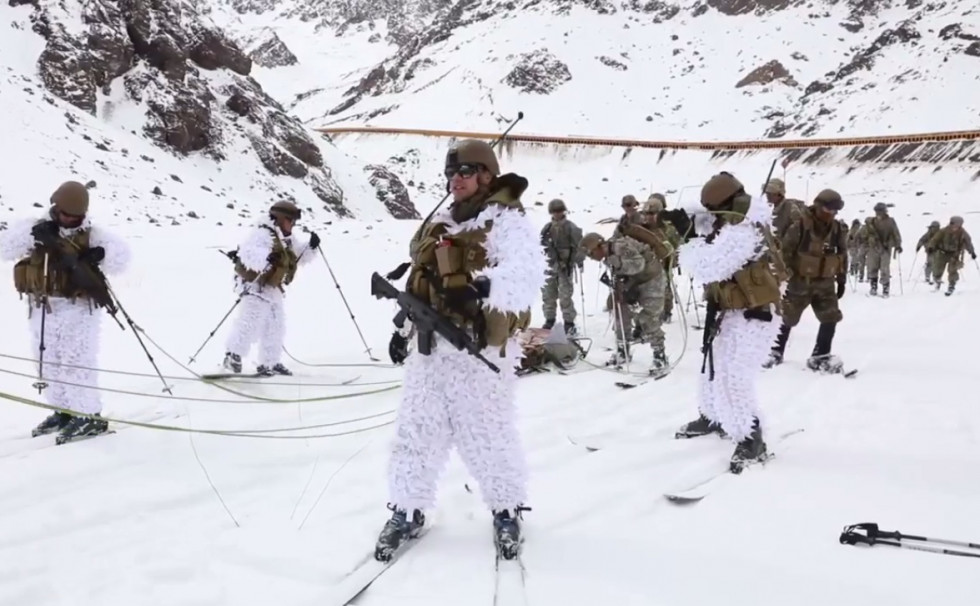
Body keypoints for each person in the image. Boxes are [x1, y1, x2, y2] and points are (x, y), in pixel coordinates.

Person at [376, 139, 546, 562]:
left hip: (478, 350)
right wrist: (402, 328)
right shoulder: (440, 219)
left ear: (487, 176)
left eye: (466, 172)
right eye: (452, 173)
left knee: (488, 435)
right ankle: (407, 510)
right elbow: (419, 275)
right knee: (416, 433)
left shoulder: (507, 221)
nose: (456, 180)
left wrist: (483, 286)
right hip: (429, 347)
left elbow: (526, 276)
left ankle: (507, 509)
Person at [0, 181, 130, 442]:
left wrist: (101, 253)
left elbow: (122, 258)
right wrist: (33, 234)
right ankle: (64, 410)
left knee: (75, 362)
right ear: (55, 207)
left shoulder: (92, 234)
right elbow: (5, 248)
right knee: (48, 363)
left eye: (76, 216)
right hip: (43, 307)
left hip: (78, 308)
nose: (70, 220)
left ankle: (88, 415)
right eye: (65, 215)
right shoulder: (35, 227)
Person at [675, 172, 785, 472]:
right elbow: (714, 234)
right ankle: (714, 416)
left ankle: (751, 438)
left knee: (734, 377)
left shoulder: (744, 231)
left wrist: (686, 240)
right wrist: (692, 224)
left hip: (756, 314)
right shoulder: (736, 223)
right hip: (733, 310)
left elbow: (709, 266)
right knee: (713, 367)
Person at [222, 201, 318, 375]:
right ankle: (232, 356)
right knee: (251, 320)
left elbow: (297, 257)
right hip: (254, 284)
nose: (293, 225)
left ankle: (269, 362)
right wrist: (266, 258)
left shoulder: (286, 239)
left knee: (276, 324)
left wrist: (311, 247)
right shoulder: (262, 233)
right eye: (291, 220)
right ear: (280, 219)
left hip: (271, 287)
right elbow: (248, 253)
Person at [765, 190, 848, 373]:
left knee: (830, 316)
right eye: (828, 209)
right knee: (787, 317)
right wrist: (782, 277)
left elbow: (842, 254)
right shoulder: (800, 227)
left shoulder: (836, 229)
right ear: (818, 207)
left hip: (825, 283)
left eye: (836, 210)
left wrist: (841, 278)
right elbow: (784, 253)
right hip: (799, 283)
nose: (832, 214)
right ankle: (775, 351)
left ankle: (821, 354)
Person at [580, 229, 670, 375]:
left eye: (590, 253)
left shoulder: (620, 247)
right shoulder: (608, 255)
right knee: (620, 314)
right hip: (633, 282)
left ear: (599, 246)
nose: (591, 257)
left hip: (651, 279)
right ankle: (623, 351)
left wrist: (620, 264)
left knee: (648, 317)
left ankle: (660, 356)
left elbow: (639, 264)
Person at [540, 198, 583, 335]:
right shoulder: (547, 228)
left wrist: (577, 261)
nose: (557, 214)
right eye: (554, 211)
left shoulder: (571, 227)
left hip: (565, 267)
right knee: (548, 295)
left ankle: (569, 323)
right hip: (550, 266)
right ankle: (549, 320)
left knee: (565, 296)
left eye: (559, 210)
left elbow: (579, 247)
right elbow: (540, 246)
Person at [639, 194, 682, 322]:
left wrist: (671, 257)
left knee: (665, 287)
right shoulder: (640, 228)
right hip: (646, 265)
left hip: (663, 263)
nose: (648, 217)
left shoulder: (668, 229)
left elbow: (677, 245)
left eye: (652, 213)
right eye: (646, 213)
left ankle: (666, 312)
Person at [928, 215, 976, 296]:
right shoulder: (943, 231)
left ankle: (951, 286)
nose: (955, 227)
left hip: (954, 254)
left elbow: (968, 242)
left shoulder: (963, 233)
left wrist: (972, 252)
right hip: (942, 253)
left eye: (957, 225)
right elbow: (935, 239)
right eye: (954, 225)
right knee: (937, 270)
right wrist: (931, 247)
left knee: (952, 270)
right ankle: (937, 283)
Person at [861, 202, 902, 297]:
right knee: (872, 268)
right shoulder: (871, 222)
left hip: (885, 248)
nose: (878, 213)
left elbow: (896, 234)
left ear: (884, 211)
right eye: (876, 211)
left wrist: (898, 245)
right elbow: (864, 234)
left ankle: (885, 289)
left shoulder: (890, 221)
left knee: (885, 269)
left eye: (880, 211)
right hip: (873, 248)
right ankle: (873, 287)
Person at [915, 220, 941, 285]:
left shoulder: (941, 233)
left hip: (938, 251)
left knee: (938, 265)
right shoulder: (928, 234)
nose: (934, 229)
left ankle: (937, 278)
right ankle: (927, 277)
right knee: (929, 264)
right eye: (933, 227)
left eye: (936, 227)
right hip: (930, 251)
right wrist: (918, 246)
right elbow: (921, 240)